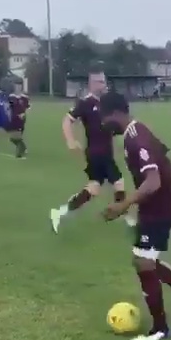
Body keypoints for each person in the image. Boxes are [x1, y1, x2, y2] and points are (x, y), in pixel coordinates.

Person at [99, 91, 171, 340]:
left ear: (114, 113)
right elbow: (163, 155)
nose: (102, 123)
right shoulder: (133, 135)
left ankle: (160, 328)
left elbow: (154, 180)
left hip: (160, 208)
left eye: (103, 117)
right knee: (143, 261)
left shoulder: (137, 139)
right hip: (153, 206)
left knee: (143, 262)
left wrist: (123, 205)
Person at [50, 73, 135, 233]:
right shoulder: (85, 103)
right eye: (100, 82)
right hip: (97, 153)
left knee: (93, 188)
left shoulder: (106, 103)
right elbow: (67, 120)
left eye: (105, 81)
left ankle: (60, 212)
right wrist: (70, 140)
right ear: (92, 84)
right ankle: (126, 217)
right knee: (118, 183)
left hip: (105, 152)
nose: (104, 84)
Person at [8, 92, 28, 158]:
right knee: (12, 138)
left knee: (17, 138)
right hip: (13, 120)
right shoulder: (12, 97)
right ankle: (23, 148)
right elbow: (9, 106)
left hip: (20, 121)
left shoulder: (24, 98)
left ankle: (18, 154)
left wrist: (23, 114)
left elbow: (27, 107)